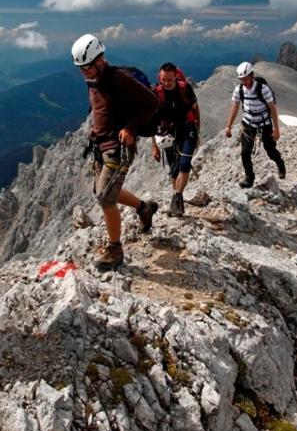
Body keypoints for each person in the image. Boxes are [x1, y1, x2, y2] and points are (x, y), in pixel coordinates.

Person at [73, 34, 160, 271]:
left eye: (87, 66)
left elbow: (152, 102)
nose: (84, 72)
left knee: (104, 197)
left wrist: (130, 128)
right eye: (80, 68)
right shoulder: (94, 79)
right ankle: (144, 207)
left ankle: (115, 249)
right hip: (101, 147)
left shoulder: (118, 78)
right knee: (107, 190)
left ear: (100, 59)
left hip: (118, 148)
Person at [150, 62, 201, 217]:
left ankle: (177, 196)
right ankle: (176, 202)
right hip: (168, 132)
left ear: (176, 78)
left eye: (169, 80)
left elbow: (195, 109)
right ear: (160, 77)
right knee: (174, 170)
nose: (166, 83)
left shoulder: (185, 89)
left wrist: (198, 131)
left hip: (188, 128)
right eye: (163, 80)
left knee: (185, 164)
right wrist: (154, 146)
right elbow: (153, 120)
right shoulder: (157, 93)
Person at [224, 62, 286, 188]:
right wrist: (228, 126)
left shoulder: (263, 89)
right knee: (245, 152)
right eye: (242, 79)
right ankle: (249, 178)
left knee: (270, 150)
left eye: (246, 78)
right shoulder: (239, 90)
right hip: (248, 123)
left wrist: (276, 128)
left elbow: (272, 108)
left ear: (252, 75)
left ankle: (280, 164)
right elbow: (234, 108)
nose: (245, 82)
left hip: (265, 123)